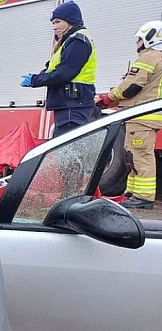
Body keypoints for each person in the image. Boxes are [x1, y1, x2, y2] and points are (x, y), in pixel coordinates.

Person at [95, 20, 162, 209]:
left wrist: (107, 99)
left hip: (142, 117)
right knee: (132, 155)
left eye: (139, 40)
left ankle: (144, 197)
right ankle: (133, 193)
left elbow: (131, 86)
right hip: (147, 116)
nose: (136, 44)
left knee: (140, 155)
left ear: (150, 38)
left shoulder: (149, 57)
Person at [21, 1, 96, 138]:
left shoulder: (78, 41)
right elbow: (52, 68)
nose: (54, 27)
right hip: (71, 103)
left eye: (58, 22)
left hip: (72, 104)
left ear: (70, 20)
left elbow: (64, 73)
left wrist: (35, 80)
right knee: (65, 150)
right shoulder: (69, 41)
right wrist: (37, 77)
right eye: (53, 23)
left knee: (68, 152)